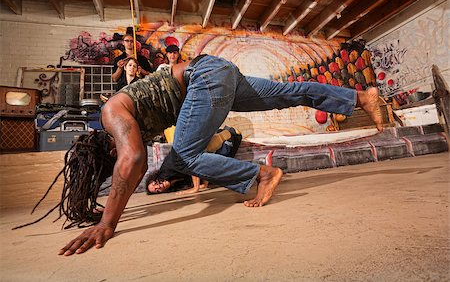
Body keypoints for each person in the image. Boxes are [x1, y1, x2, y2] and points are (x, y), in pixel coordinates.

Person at [39, 54, 382, 256]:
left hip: (204, 78)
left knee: (185, 155)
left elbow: (132, 161)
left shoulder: (110, 115)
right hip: (218, 73)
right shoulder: (120, 124)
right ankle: (358, 99)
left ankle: (260, 175)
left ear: (105, 151)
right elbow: (130, 167)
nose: (117, 164)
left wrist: (106, 224)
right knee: (286, 94)